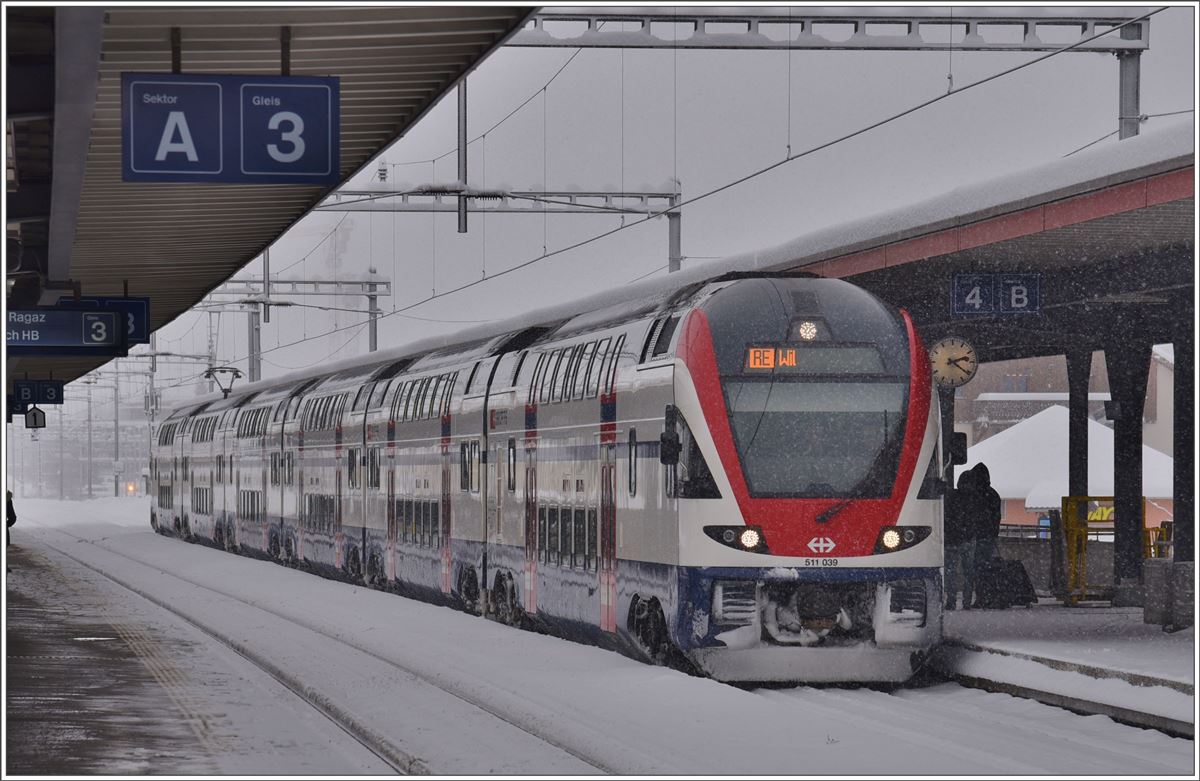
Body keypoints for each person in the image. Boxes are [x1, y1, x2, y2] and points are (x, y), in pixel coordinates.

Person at [969, 463, 1003, 608]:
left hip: (976, 536)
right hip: (987, 536)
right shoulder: (993, 494)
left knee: (977, 569)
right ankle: (986, 597)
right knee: (984, 568)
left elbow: (972, 515)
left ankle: (981, 597)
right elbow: (996, 517)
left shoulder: (975, 495)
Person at [943, 470, 977, 610]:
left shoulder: (951, 497)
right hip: (968, 540)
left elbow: (946, 518)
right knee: (968, 572)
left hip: (952, 541)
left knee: (951, 573)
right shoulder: (974, 500)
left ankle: (951, 601)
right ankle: (966, 602)